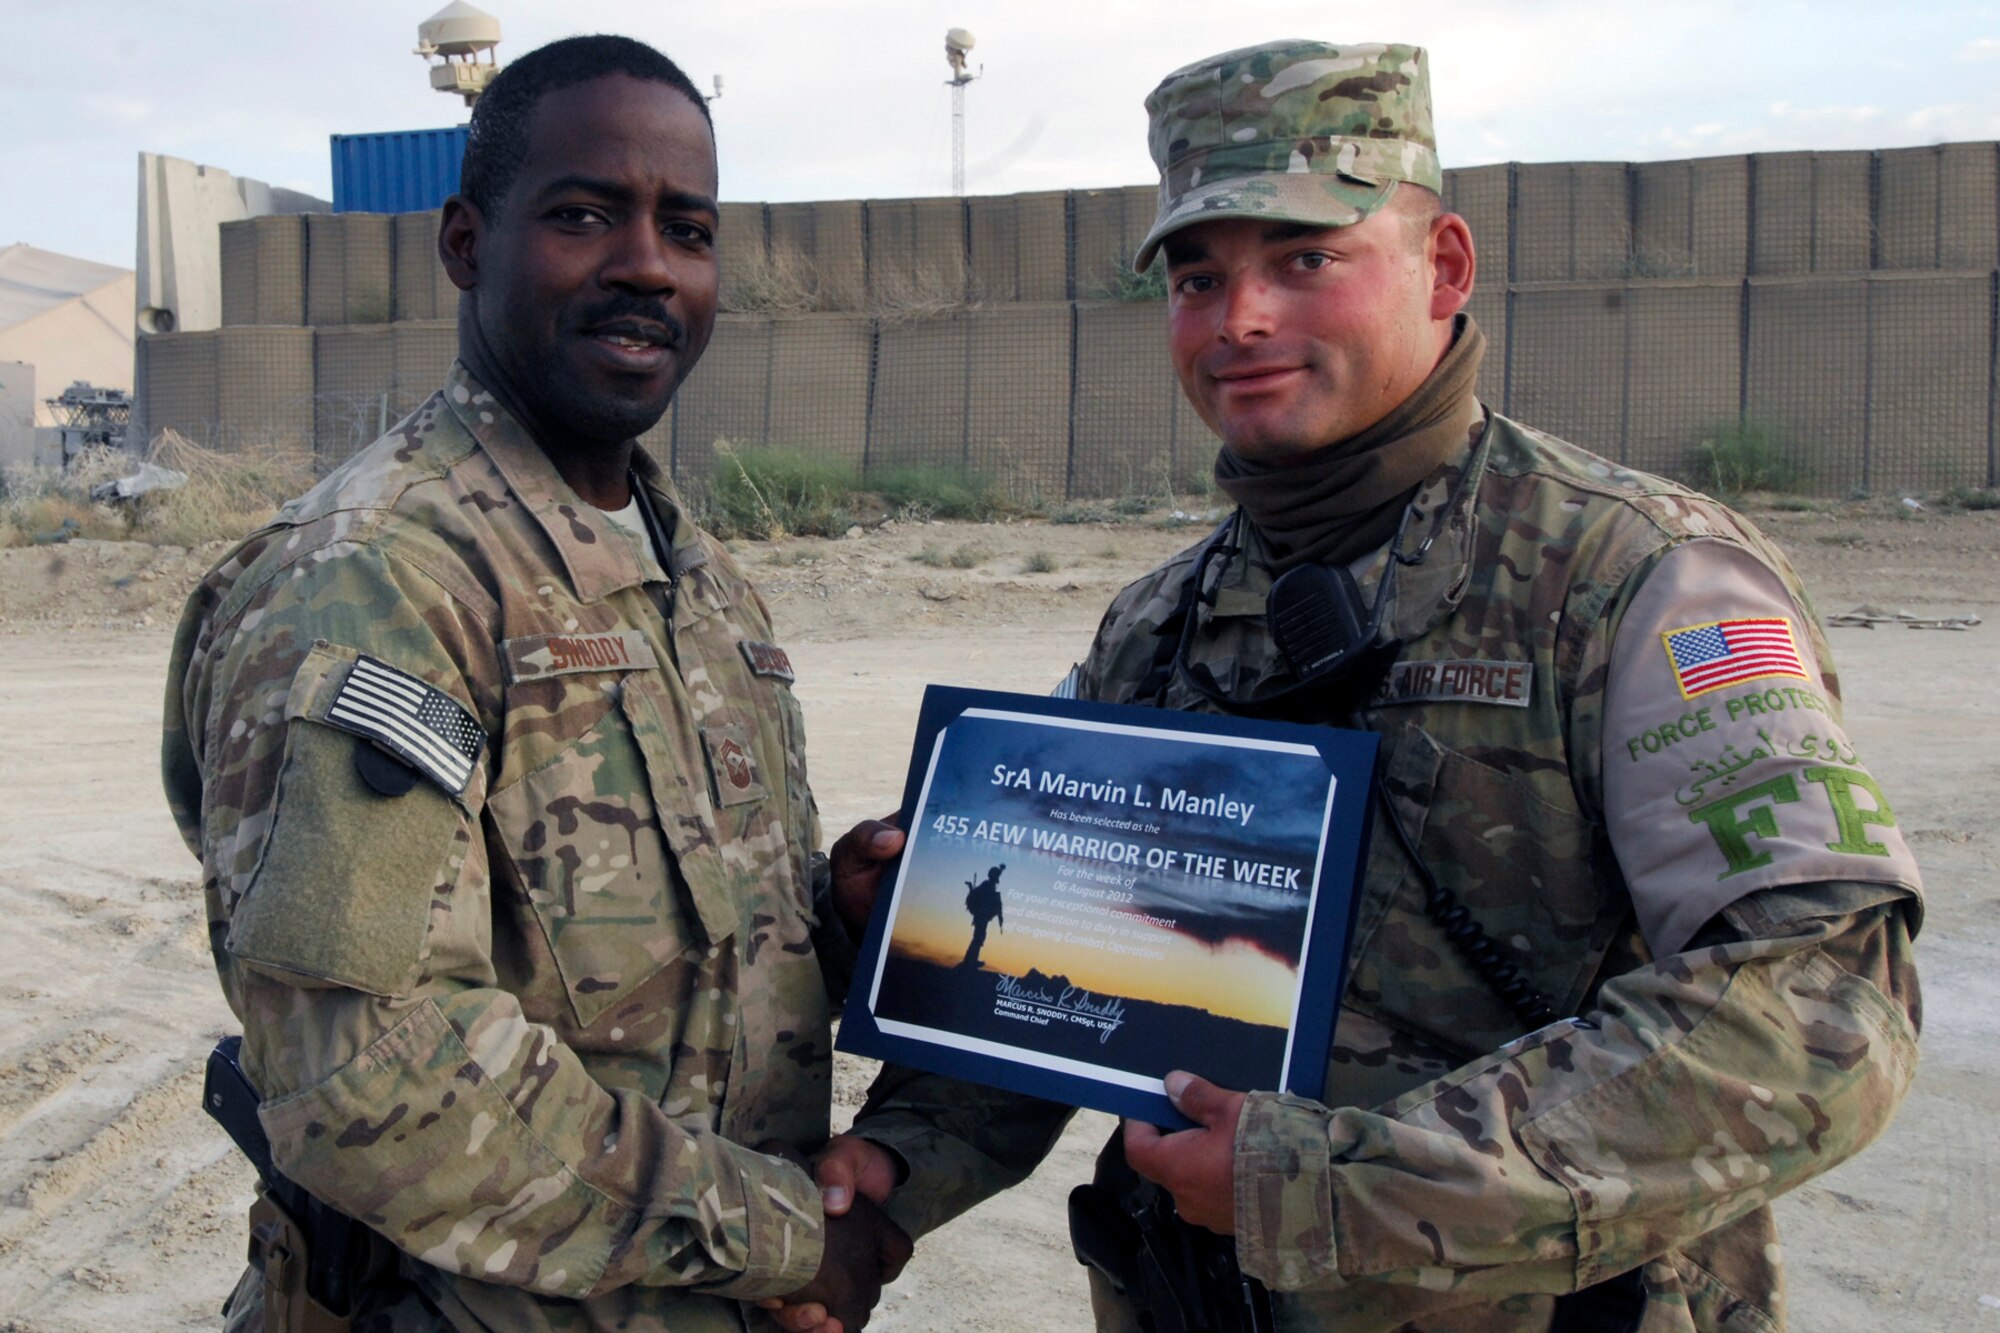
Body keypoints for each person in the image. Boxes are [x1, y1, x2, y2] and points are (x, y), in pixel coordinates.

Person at [796, 40, 1924, 1333]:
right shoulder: (1156, 627)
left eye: (1304, 258)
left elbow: (1824, 1007)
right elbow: (1058, 985)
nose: (1243, 321)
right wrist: (892, 1171)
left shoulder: (1635, 577)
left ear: (1443, 266)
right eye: (1199, 276)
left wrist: (1334, 1191)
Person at [163, 35, 910, 1333]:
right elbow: (375, 1089)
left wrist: (828, 930)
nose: (644, 264)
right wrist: (791, 1238)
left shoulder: (702, 580)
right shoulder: (380, 581)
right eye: (581, 214)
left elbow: (631, 950)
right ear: (465, 244)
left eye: (686, 227)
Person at [960, 865, 1006, 967]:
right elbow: (983, 898)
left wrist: (1001, 870)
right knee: (978, 938)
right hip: (981, 916)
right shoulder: (987, 885)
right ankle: (970, 960)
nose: (997, 878)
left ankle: (970, 959)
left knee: (979, 937)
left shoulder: (989, 886)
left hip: (982, 916)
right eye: (997, 876)